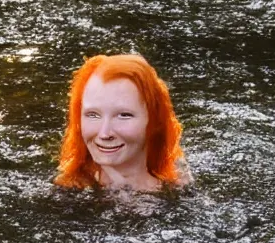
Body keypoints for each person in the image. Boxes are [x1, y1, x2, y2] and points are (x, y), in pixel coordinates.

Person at [54, 53, 189, 192]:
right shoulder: (63, 193)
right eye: (93, 114)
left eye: (124, 115)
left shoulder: (181, 193)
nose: (104, 133)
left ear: (155, 121)